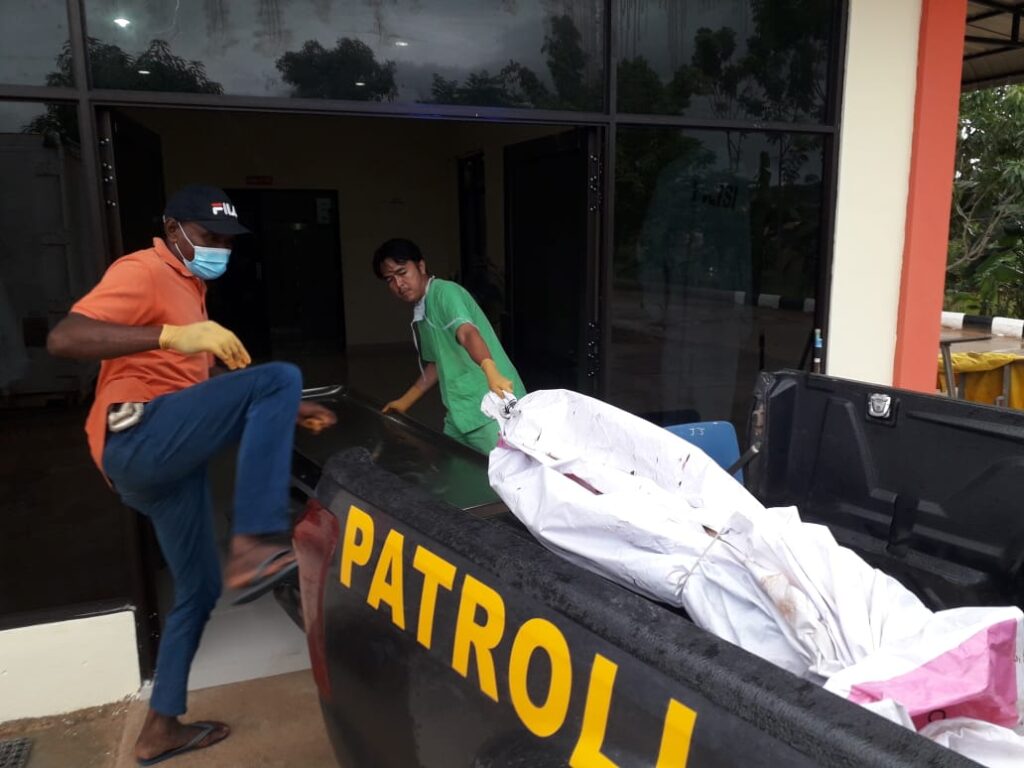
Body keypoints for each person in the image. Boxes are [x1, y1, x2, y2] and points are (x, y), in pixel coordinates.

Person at [46, 184, 335, 766]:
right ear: (172, 229)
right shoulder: (144, 270)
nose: (219, 249)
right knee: (279, 375)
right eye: (208, 236)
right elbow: (64, 338)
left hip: (164, 464)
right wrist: (169, 335)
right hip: (134, 434)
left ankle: (160, 729)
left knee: (199, 588)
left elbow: (197, 391)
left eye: (227, 240)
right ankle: (255, 543)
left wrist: (288, 408)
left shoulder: (191, 288)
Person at [374, 238, 524, 454]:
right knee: (452, 468)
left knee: (505, 471)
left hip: (494, 407)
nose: (399, 284)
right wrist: (406, 400)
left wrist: (490, 370)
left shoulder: (446, 293)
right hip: (459, 413)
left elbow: (467, 333)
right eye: (390, 279)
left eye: (402, 272)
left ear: (421, 266)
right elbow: (437, 363)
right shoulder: (423, 309)